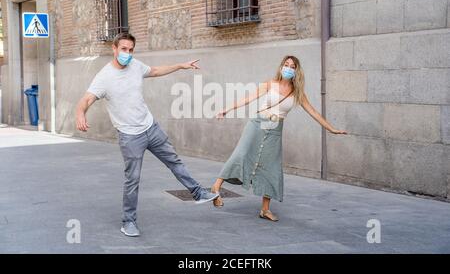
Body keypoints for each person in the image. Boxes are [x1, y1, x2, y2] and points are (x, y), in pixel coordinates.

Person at [75, 32, 218, 237]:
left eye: (131, 50)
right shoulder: (104, 77)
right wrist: (80, 113)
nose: (128, 53)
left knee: (174, 161)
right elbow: (87, 99)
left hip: (151, 128)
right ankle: (129, 222)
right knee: (132, 180)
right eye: (123, 49)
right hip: (129, 136)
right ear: (114, 49)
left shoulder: (135, 66)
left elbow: (156, 71)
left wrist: (180, 65)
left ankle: (197, 192)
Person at [211, 55, 347, 221]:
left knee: (271, 166)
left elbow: (314, 113)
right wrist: (227, 109)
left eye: (292, 66)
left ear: (296, 71)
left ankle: (265, 209)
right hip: (258, 124)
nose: (288, 68)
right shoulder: (270, 84)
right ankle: (216, 188)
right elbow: (248, 99)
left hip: (275, 130)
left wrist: (331, 128)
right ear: (281, 66)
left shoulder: (298, 93)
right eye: (286, 64)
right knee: (242, 153)